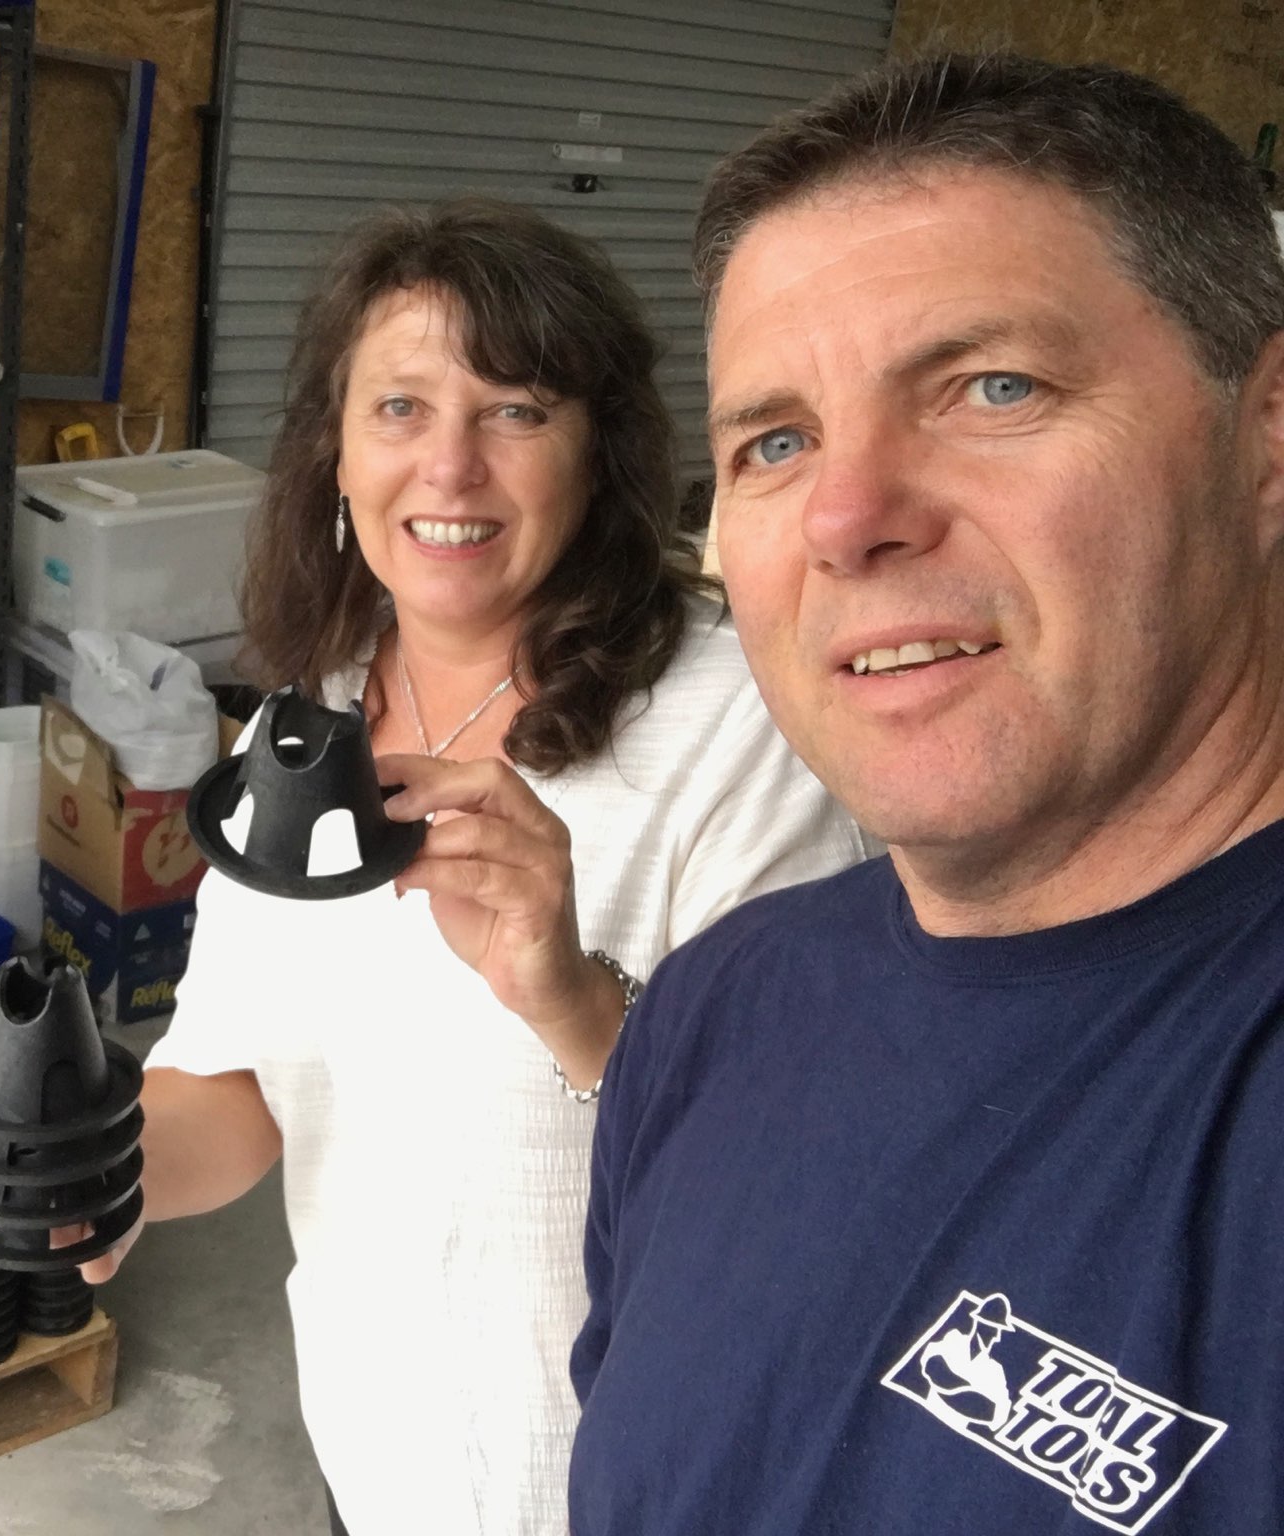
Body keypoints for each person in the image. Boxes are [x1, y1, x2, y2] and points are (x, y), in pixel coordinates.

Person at [539, 53, 1284, 1534]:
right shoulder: (709, 1013)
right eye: (775, 441)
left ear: (1265, 437)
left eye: (990, 387)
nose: (845, 515)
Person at [80, 198, 868, 1535]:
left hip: (639, 1483)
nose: (448, 468)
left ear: (600, 456)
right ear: (334, 455)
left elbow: (808, 1169)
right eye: (398, 409)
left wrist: (573, 997)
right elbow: (237, 1082)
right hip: (378, 1467)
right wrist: (101, 1171)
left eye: (516, 411)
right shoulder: (307, 723)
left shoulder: (740, 728)